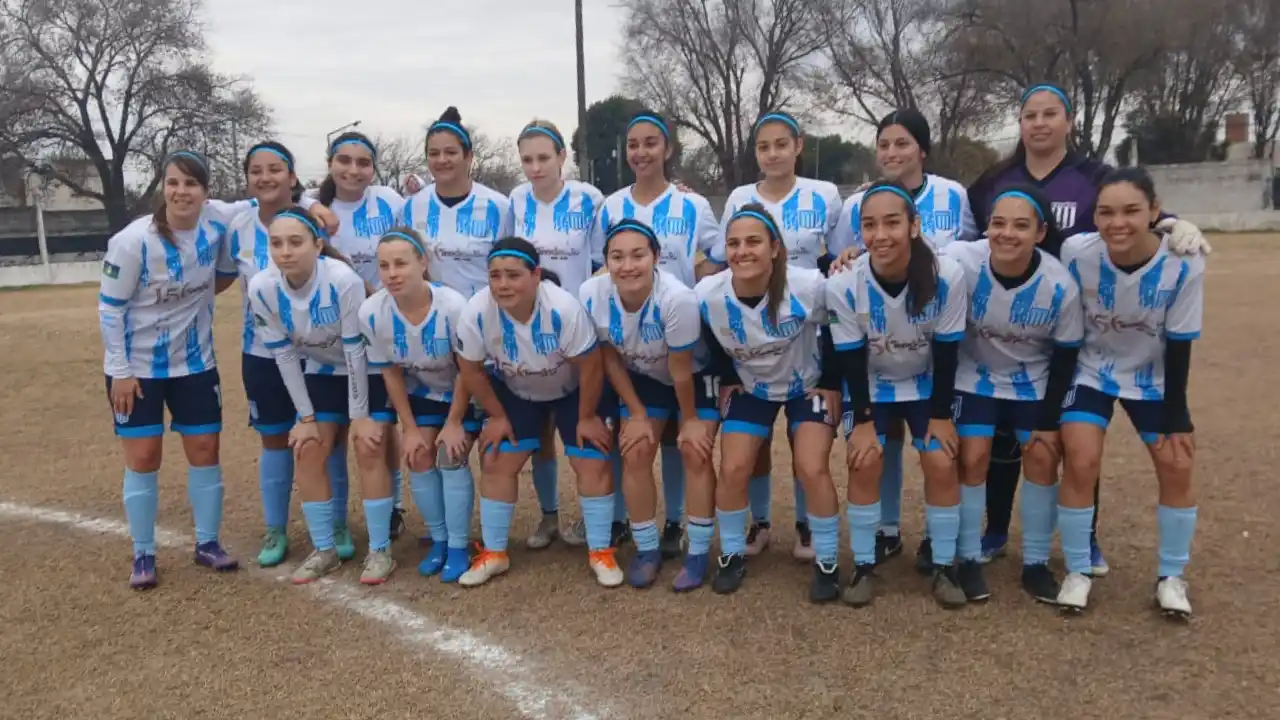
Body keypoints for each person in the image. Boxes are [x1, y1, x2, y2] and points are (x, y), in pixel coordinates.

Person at [967, 83, 1212, 574]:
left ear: (1069, 121)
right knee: (1001, 436)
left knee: (1074, 444)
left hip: (1073, 324)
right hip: (1012, 316)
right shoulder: (994, 179)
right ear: (1020, 123)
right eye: (1030, 115)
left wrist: (1174, 224)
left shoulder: (1095, 176)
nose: (1039, 123)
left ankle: (1087, 539)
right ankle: (995, 529)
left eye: (1050, 114)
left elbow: (1132, 211)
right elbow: (977, 239)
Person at [828, 108, 977, 569]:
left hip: (927, 370)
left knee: (941, 457)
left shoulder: (949, 263)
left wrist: (941, 416)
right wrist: (862, 419)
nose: (880, 234)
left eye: (892, 223)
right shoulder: (845, 276)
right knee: (868, 454)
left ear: (914, 225)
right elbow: (849, 354)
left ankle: (945, 555)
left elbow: (947, 351)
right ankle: (875, 548)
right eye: (870, 226)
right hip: (875, 374)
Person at [1055, 167, 1203, 617]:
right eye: (1106, 212)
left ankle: (1171, 577)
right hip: (1091, 370)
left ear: (1155, 212)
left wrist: (1177, 415)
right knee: (1081, 460)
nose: (1117, 223)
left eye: (1131, 211)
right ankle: (1078, 570)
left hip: (1150, 377)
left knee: (1177, 464)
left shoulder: (1185, 261)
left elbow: (1180, 341)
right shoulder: (1076, 252)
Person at [98, 150, 242, 589]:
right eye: (174, 182)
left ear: (206, 191)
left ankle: (207, 543)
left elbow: (261, 202)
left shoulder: (217, 223)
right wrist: (120, 371)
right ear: (163, 186)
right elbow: (110, 309)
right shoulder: (133, 241)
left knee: (205, 450)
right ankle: (143, 552)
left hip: (195, 365)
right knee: (144, 457)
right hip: (137, 369)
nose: (181, 192)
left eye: (191, 183)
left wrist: (313, 203)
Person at [591, 110, 724, 557]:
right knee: (640, 438)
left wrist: (697, 289)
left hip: (683, 334)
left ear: (668, 148)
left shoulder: (693, 205)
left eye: (651, 143)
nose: (641, 152)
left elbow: (716, 254)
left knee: (683, 441)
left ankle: (677, 523)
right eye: (633, 144)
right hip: (638, 344)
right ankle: (639, 527)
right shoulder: (611, 206)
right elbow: (601, 263)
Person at [453, 238, 622, 588]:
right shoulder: (476, 312)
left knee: (592, 458)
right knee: (496, 457)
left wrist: (587, 417)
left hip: (574, 390)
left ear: (536, 275)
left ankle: (600, 551)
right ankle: (495, 553)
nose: (503, 284)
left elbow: (591, 366)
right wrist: (497, 416)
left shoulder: (562, 307)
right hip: (519, 391)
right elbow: (470, 370)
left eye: (513, 275)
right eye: (495, 276)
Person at [696, 203, 843, 601]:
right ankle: (731, 554)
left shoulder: (808, 285)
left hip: (806, 385)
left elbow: (837, 323)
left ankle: (827, 560)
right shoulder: (708, 294)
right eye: (733, 244)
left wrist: (831, 380)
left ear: (775, 248)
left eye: (753, 242)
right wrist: (727, 375)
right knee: (733, 467)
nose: (742, 251)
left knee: (811, 466)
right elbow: (707, 332)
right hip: (753, 388)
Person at [944, 185, 1083, 604]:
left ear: (1040, 233)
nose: (1007, 233)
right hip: (974, 375)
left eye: (1021, 226)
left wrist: (1049, 421)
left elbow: (1065, 355)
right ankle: (968, 557)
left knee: (1042, 455)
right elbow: (908, 255)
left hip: (1032, 379)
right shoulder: (961, 260)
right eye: (998, 223)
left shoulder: (1059, 284)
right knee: (973, 456)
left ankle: (1036, 563)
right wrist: (850, 255)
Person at [247, 206, 398, 585]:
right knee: (307, 447)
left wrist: (359, 415)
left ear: (317, 245)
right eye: (276, 243)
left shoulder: (342, 279)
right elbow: (284, 355)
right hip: (322, 371)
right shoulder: (262, 287)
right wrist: (307, 418)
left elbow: (355, 350)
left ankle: (380, 550)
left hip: (368, 369)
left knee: (368, 446)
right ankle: (325, 549)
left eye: (295, 242)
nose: (285, 252)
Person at [718, 110, 843, 562]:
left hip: (805, 327)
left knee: (805, 446)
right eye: (763, 146)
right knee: (749, 449)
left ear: (798, 146)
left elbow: (840, 258)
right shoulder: (739, 198)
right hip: (753, 331)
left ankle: (808, 527)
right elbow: (722, 264)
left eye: (781, 144)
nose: (772, 154)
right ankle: (761, 522)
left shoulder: (825, 194)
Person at [580, 219, 722, 590]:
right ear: (606, 261)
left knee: (695, 450)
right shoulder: (591, 293)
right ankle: (646, 549)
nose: (627, 266)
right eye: (617, 257)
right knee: (636, 449)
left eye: (638, 255)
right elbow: (609, 356)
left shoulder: (677, 298)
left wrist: (689, 420)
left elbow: (681, 368)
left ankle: (697, 552)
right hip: (643, 376)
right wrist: (638, 413)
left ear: (656, 257)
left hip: (693, 375)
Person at [228, 141, 341, 567]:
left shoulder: (314, 219)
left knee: (326, 439)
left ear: (292, 177)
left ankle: (336, 526)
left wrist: (311, 203)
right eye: (256, 170)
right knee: (274, 438)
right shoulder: (236, 223)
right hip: (261, 353)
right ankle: (276, 529)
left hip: (316, 354)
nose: (265, 177)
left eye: (275, 169)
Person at [506, 119, 606, 551]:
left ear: (562, 157)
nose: (535, 167)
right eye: (527, 159)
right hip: (529, 328)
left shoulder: (589, 199)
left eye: (544, 157)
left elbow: (601, 260)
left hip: (576, 327)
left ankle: (597, 517)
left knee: (585, 425)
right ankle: (549, 515)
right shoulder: (515, 200)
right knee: (541, 433)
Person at [360, 227, 479, 583]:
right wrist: (409, 429)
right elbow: (391, 373)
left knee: (450, 455)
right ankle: (439, 540)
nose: (392, 274)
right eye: (384, 266)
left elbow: (468, 370)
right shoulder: (373, 312)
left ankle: (458, 546)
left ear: (422, 263)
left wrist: (454, 422)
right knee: (418, 455)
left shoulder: (453, 306)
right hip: (425, 395)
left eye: (401, 263)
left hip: (466, 392)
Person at [312, 130, 410, 545]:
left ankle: (394, 507)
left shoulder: (389, 202)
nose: (353, 170)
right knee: (332, 433)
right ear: (330, 163)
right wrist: (312, 205)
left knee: (381, 430)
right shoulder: (311, 205)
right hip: (327, 337)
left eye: (363, 162)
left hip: (380, 331)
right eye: (344, 160)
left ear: (373, 168)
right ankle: (337, 519)